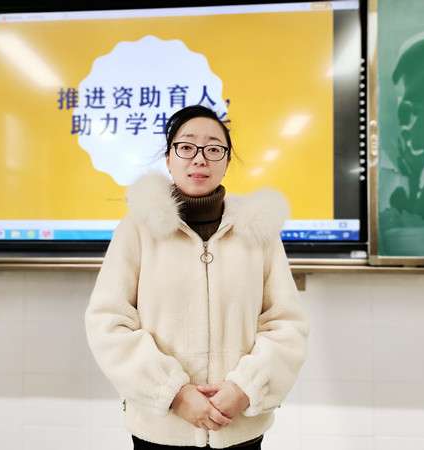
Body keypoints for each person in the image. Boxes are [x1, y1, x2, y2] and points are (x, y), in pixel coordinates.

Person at [85, 105, 309, 449]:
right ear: (169, 158)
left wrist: (246, 387)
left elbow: (286, 323)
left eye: (213, 149)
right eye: (187, 147)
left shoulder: (259, 233)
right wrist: (172, 392)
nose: (200, 159)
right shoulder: (136, 231)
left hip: (238, 427)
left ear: (227, 160)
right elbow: (108, 323)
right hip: (161, 429)